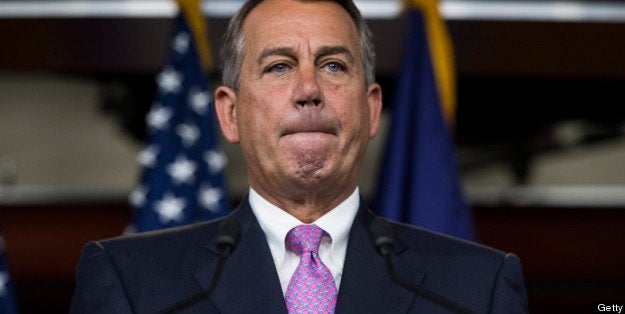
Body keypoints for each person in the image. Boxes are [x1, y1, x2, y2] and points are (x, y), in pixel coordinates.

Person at [70, 0, 528, 312]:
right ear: (230, 113)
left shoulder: (478, 288)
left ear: (370, 109)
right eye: (279, 67)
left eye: (333, 65)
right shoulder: (129, 283)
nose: (309, 90)